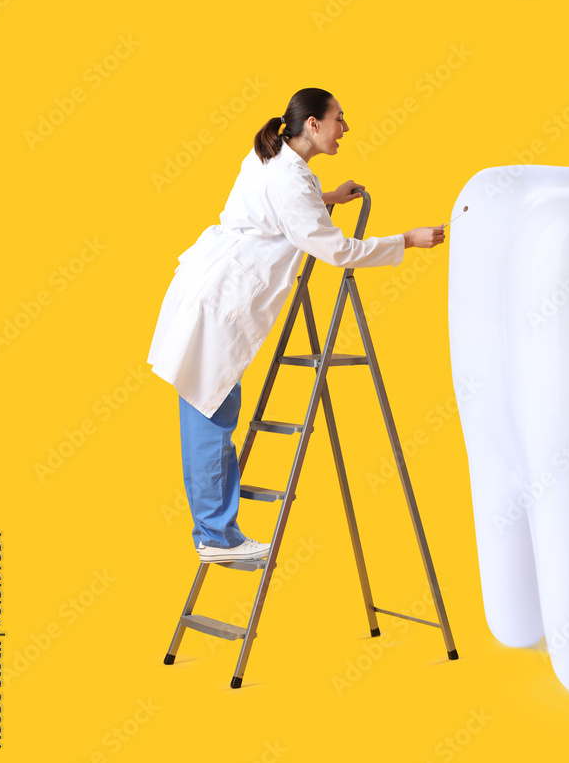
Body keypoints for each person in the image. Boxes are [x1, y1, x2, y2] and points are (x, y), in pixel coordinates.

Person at [146, 88, 445, 563]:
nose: (344, 127)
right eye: (338, 118)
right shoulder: (290, 179)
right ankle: (215, 537)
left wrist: (324, 197)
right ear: (312, 125)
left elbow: (278, 210)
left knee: (209, 411)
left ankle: (215, 531)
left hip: (209, 286)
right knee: (211, 416)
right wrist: (405, 241)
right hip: (220, 298)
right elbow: (336, 250)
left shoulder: (274, 158)